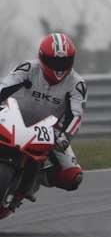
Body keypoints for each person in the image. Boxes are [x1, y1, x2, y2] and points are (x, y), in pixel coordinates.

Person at [0, 32, 86, 198]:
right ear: (42, 57)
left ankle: (34, 178)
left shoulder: (77, 84)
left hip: (49, 130)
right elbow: (4, 87)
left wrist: (64, 136)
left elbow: (76, 115)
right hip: (14, 117)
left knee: (73, 177)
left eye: (64, 62)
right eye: (54, 61)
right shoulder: (29, 68)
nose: (58, 67)